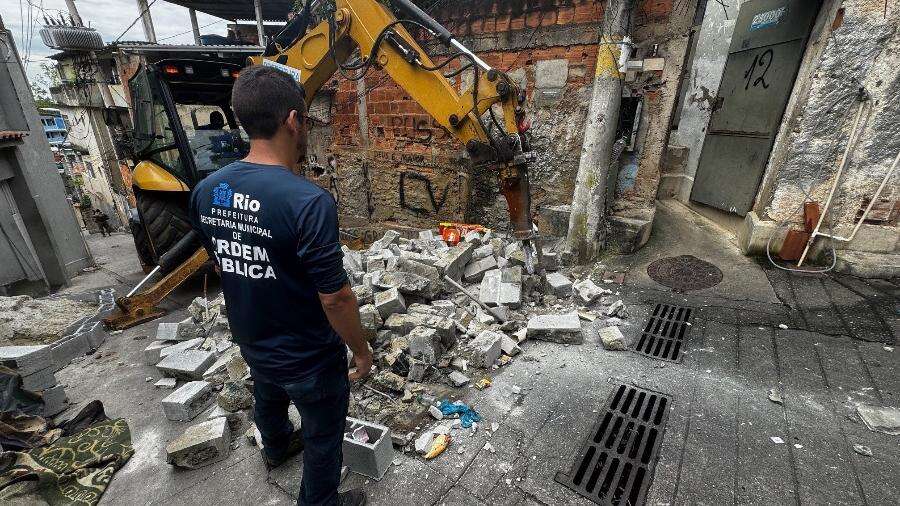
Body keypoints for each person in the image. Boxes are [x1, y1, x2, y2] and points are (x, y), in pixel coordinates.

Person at [188, 65, 371, 506]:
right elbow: (335, 296)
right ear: (293, 120)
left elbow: (225, 260)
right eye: (305, 120)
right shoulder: (308, 201)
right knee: (324, 435)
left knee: (267, 395)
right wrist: (362, 350)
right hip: (309, 355)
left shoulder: (207, 189)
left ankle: (275, 448)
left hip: (252, 338)